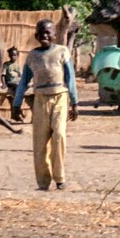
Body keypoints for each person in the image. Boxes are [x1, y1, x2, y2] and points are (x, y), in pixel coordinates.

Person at [12, 19, 78, 191]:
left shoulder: (62, 51)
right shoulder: (32, 56)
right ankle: (43, 181)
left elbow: (70, 79)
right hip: (40, 99)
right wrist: (16, 104)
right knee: (40, 142)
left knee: (59, 135)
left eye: (48, 32)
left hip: (60, 97)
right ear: (36, 35)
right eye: (41, 33)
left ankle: (60, 177)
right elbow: (24, 81)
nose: (45, 35)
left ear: (55, 35)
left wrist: (75, 103)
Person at [0, 46, 21, 118]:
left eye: (14, 55)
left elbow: (20, 75)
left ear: (17, 56)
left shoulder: (17, 66)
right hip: (10, 82)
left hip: (17, 83)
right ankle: (17, 111)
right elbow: (3, 75)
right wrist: (4, 84)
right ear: (9, 55)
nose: (13, 57)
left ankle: (16, 112)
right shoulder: (6, 64)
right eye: (11, 55)